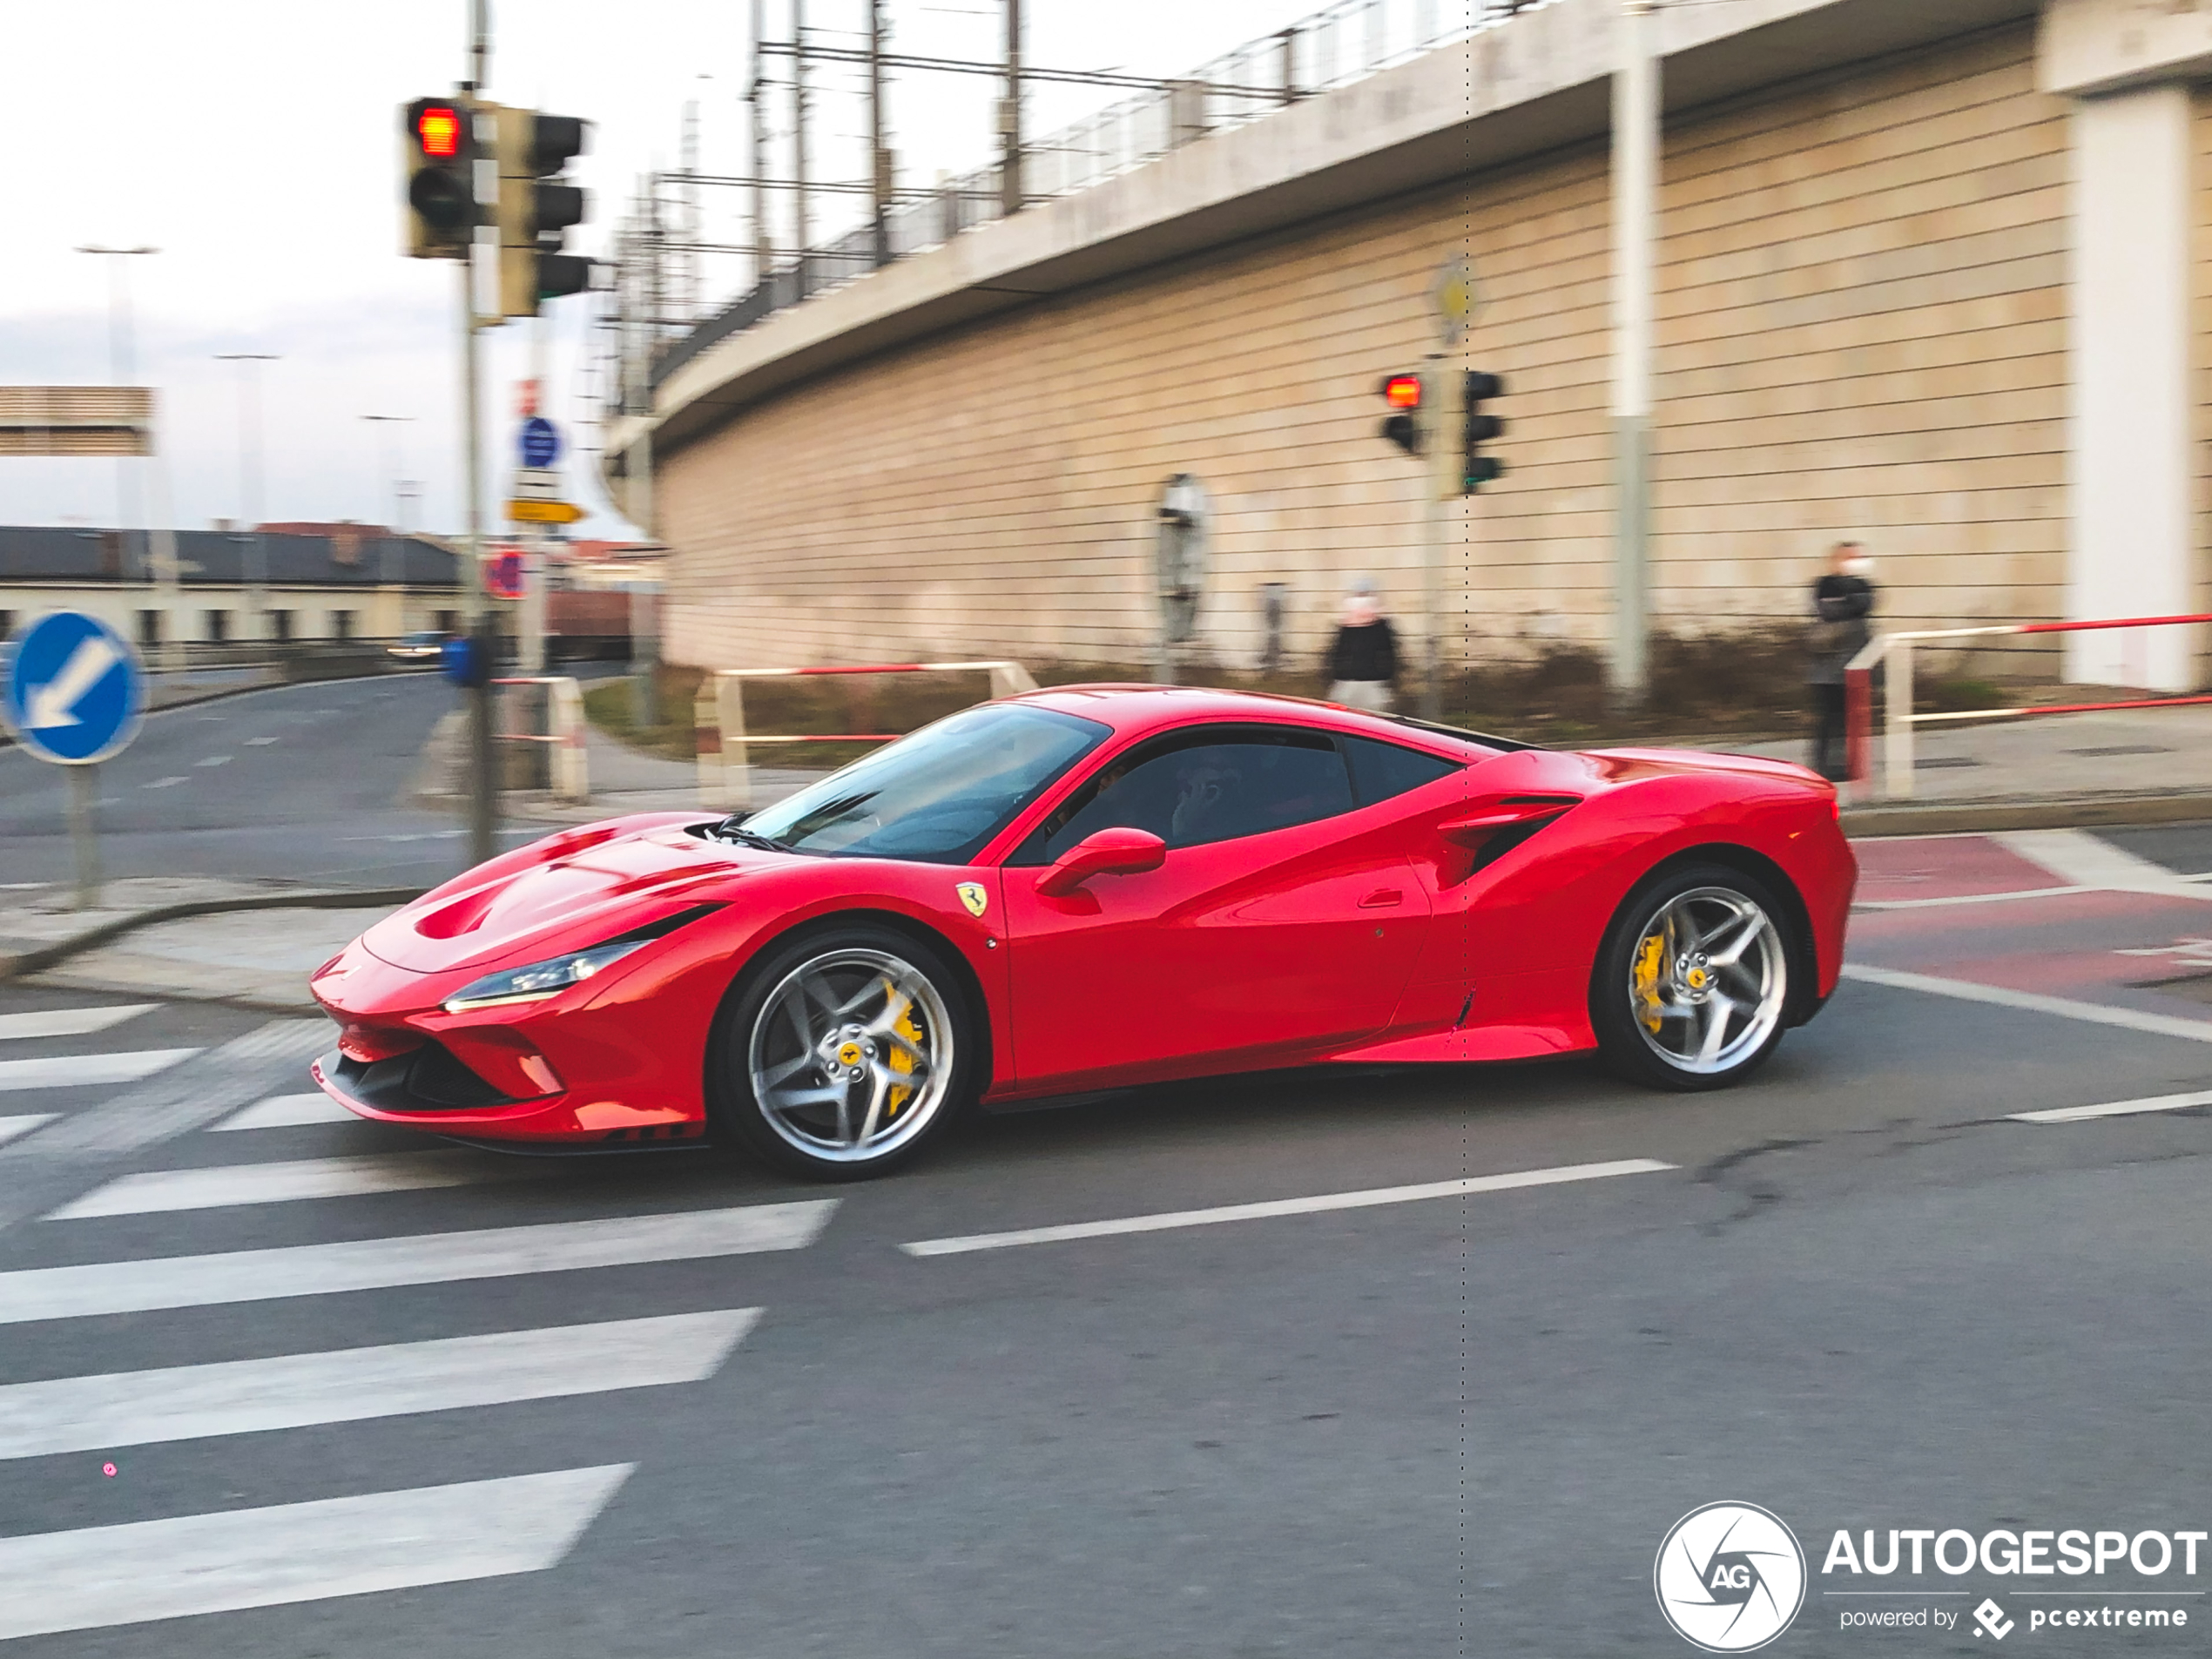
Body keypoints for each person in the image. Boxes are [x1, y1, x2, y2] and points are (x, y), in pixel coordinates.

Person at [1807, 541, 1876, 780]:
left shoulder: (1863, 584)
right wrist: (1851, 602)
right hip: (1829, 666)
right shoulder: (1825, 584)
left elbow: (1866, 604)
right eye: (1851, 557)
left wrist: (1847, 600)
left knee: (1853, 719)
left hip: (1858, 662)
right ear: (1836, 559)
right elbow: (1829, 611)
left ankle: (1849, 766)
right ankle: (1823, 766)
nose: (1857, 561)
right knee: (1829, 719)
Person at [1326, 579, 1399, 713]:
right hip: (1347, 683)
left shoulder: (1382, 628)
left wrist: (1384, 677)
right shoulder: (1345, 627)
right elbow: (1335, 655)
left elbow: (1390, 655)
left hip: (1373, 684)